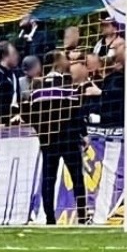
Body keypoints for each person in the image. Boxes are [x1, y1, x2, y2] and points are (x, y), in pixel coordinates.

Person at [28, 50, 89, 226]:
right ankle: (83, 215)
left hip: (47, 139)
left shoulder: (37, 85)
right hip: (68, 138)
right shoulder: (66, 83)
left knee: (48, 178)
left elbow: (31, 114)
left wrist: (40, 132)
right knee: (77, 176)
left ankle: (49, 217)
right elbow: (74, 112)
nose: (68, 62)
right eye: (64, 58)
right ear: (57, 62)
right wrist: (83, 134)